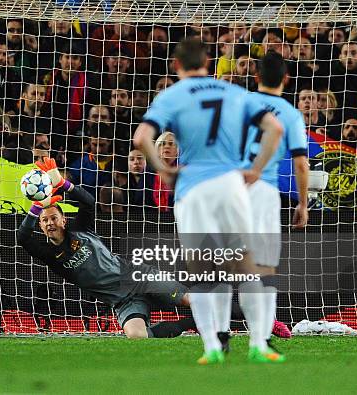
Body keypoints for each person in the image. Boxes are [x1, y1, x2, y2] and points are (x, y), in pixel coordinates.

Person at [133, 38, 284, 364]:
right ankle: (259, 344)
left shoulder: (172, 95)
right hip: (231, 185)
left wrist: (164, 170)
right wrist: (256, 170)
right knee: (246, 269)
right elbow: (274, 128)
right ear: (208, 62)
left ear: (176, 65)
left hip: (193, 189)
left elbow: (141, 138)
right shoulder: (233, 92)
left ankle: (213, 348)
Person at [17, 157, 191, 339]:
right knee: (136, 335)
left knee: (188, 299)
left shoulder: (80, 229)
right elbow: (22, 238)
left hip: (139, 278)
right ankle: (188, 324)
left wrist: (63, 183)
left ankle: (218, 320)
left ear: (64, 220)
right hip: (120, 300)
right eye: (44, 220)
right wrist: (36, 208)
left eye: (53, 218)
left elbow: (89, 202)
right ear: (40, 226)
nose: (50, 222)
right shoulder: (49, 254)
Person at [244, 51, 310, 359]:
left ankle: (216, 332)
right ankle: (260, 338)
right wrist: (303, 202)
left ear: (255, 77)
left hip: (230, 188)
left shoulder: (238, 106)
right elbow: (300, 163)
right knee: (264, 267)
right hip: (263, 191)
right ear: (286, 79)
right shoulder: (289, 113)